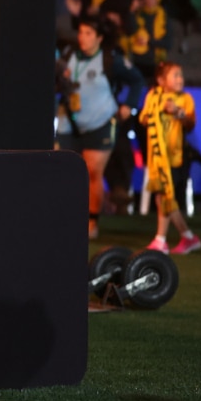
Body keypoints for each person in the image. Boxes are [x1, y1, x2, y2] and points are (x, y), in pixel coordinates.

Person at [56, 17, 145, 239]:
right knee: (62, 172)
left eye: (88, 33)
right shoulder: (68, 55)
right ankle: (64, 218)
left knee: (93, 172)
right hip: (69, 120)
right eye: (81, 32)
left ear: (99, 38)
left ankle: (91, 222)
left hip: (100, 122)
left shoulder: (110, 59)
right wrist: (61, 79)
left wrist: (129, 105)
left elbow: (137, 80)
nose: (82, 38)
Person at [138, 62, 201, 254]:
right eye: (175, 75)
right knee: (162, 197)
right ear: (161, 80)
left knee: (165, 196)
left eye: (181, 75)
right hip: (157, 156)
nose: (180, 79)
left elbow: (190, 124)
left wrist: (178, 112)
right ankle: (187, 237)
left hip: (175, 157)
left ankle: (161, 239)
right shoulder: (153, 95)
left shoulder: (185, 99)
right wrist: (157, 111)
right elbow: (143, 119)